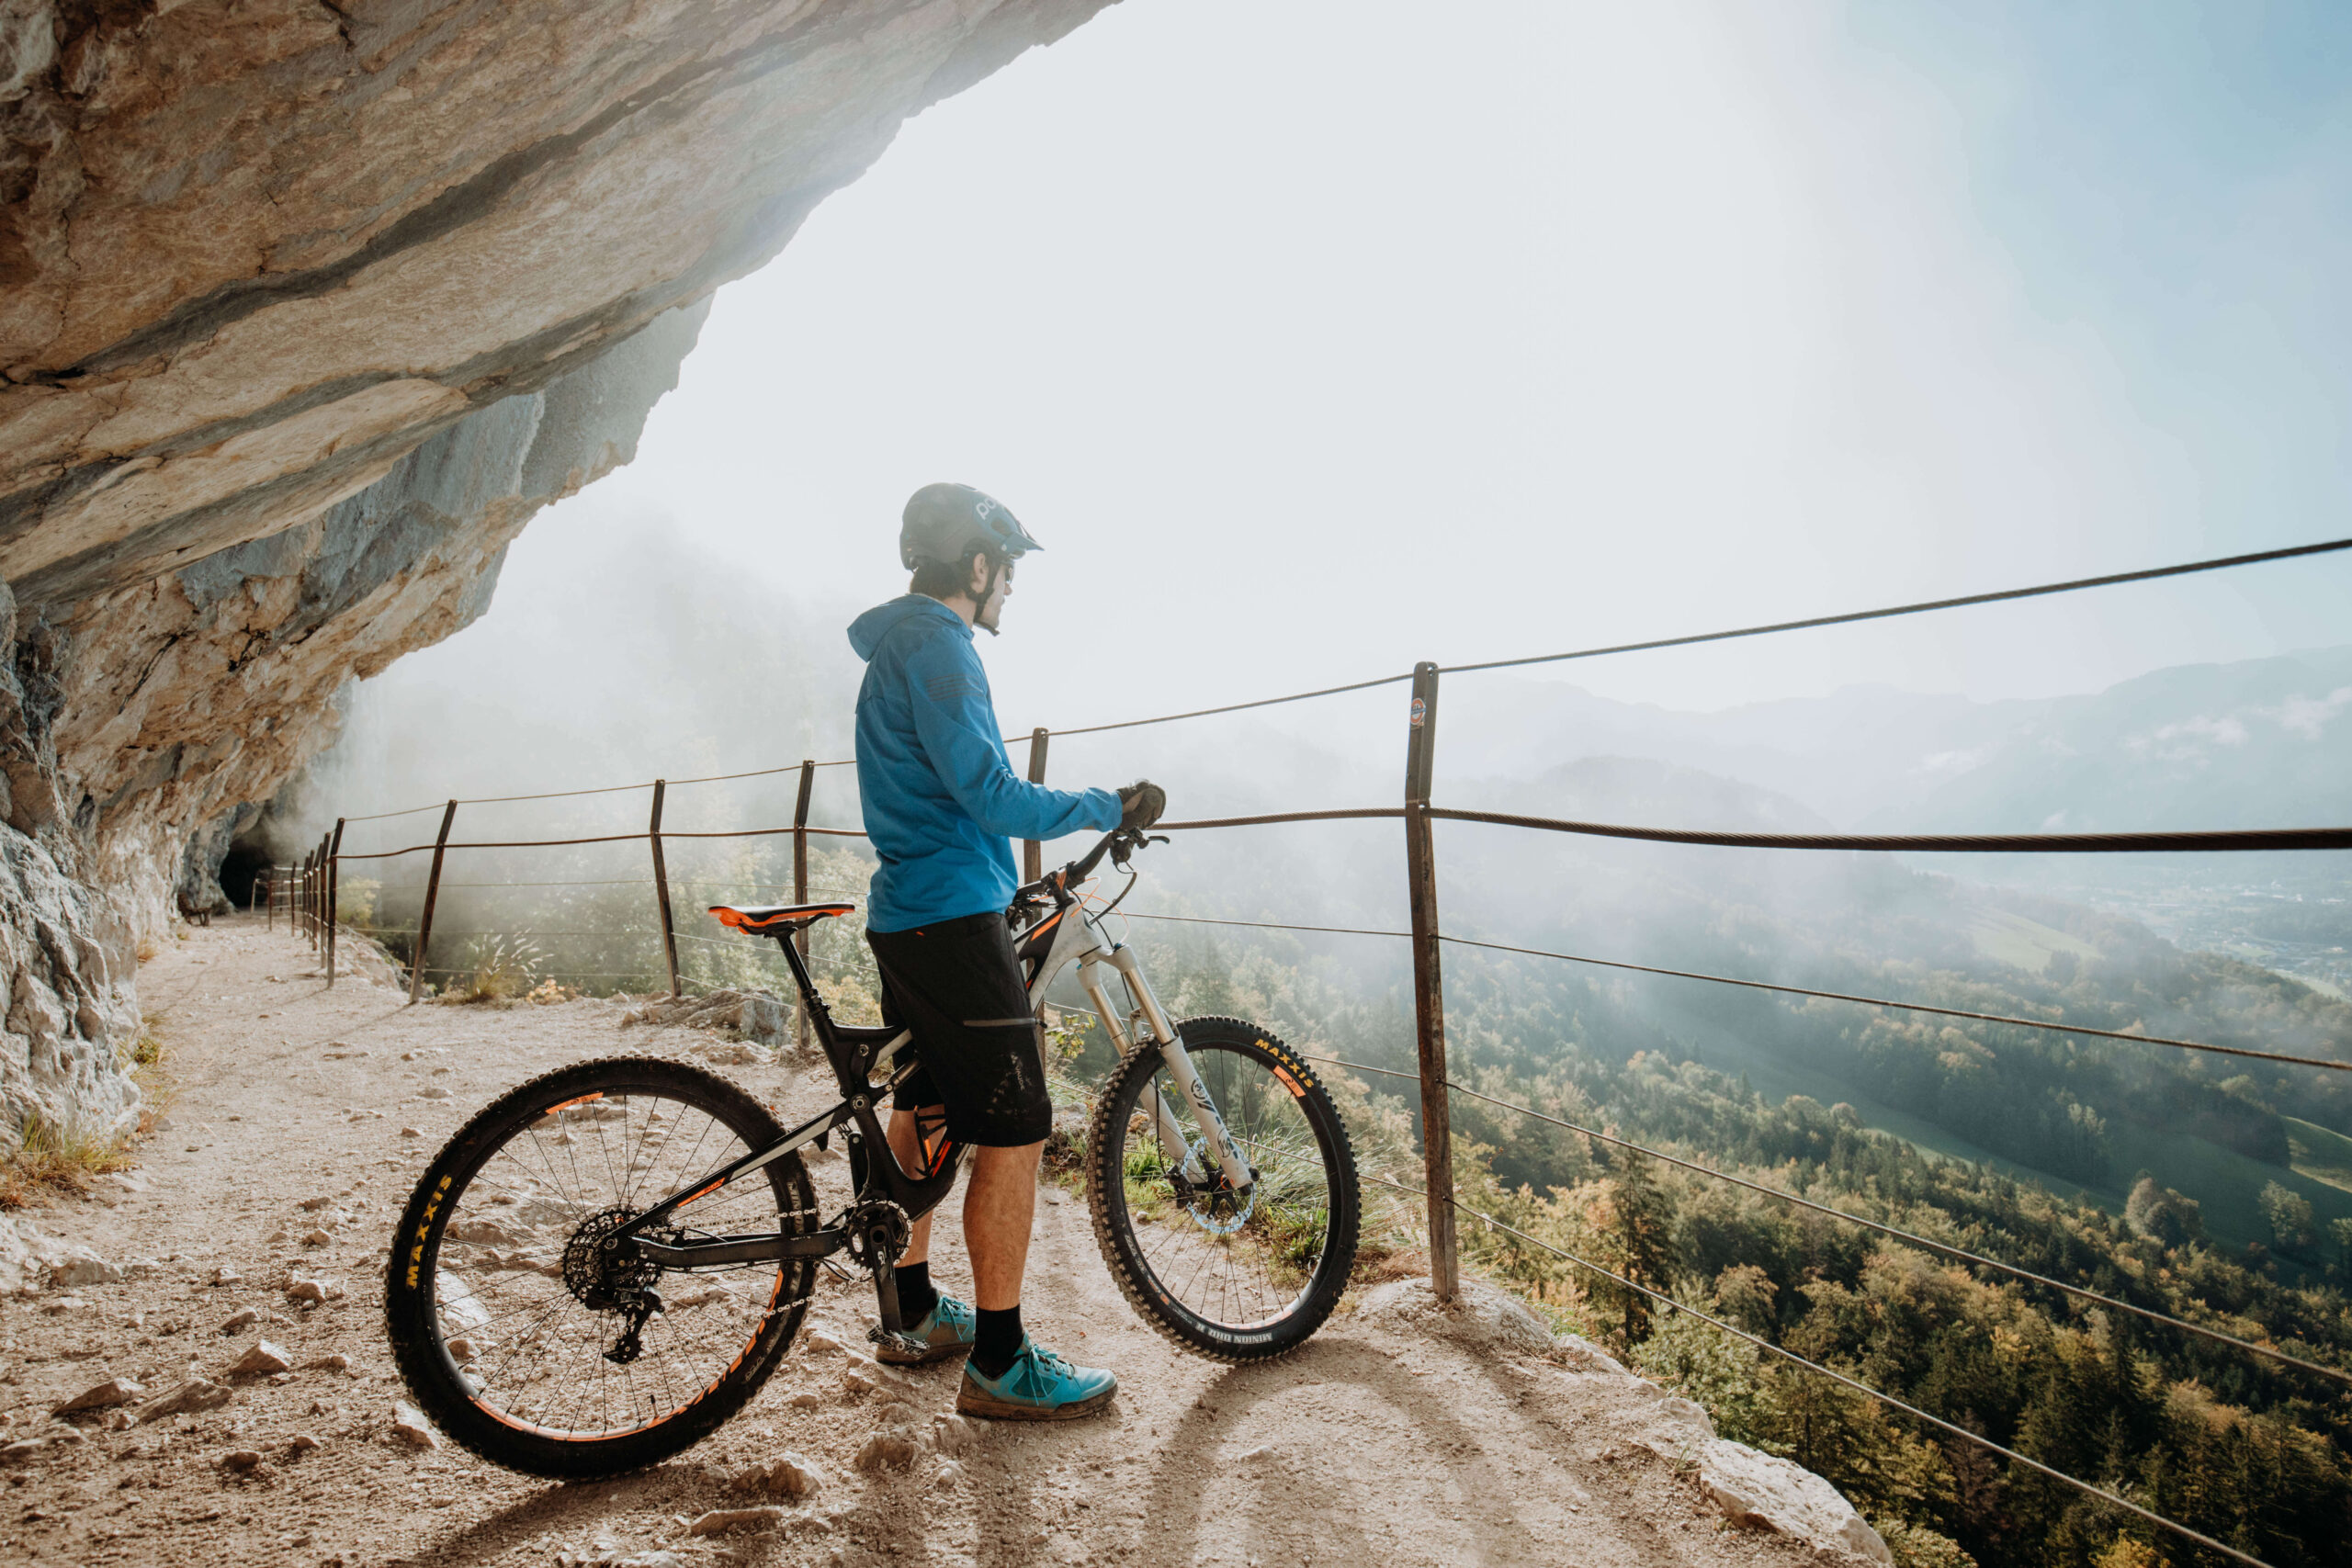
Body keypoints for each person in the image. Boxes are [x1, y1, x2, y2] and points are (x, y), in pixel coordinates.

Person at [845, 481, 1165, 1421]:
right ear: (975, 565)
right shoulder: (940, 646)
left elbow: (942, 793)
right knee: (1015, 1130)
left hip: (909, 910)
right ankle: (999, 1359)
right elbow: (989, 793)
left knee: (926, 1102)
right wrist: (1104, 805)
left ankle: (909, 1311)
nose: (1012, 590)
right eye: (1008, 570)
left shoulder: (896, 648)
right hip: (950, 919)